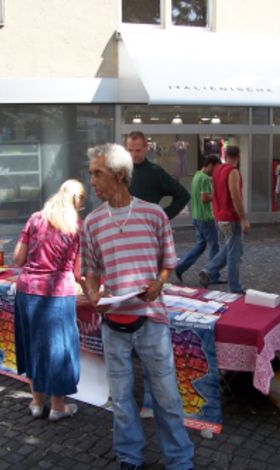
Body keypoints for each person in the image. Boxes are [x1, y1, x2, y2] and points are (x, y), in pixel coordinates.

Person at [81, 143, 194, 470]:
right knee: (121, 401)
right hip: (113, 325)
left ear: (119, 175)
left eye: (97, 173)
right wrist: (92, 295)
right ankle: (130, 457)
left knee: (167, 398)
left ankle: (179, 459)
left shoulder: (154, 214)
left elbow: (167, 262)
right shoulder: (92, 223)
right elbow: (90, 273)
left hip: (151, 321)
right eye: (91, 174)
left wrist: (159, 282)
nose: (92, 181)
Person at [13, 179, 86, 421]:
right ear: (78, 201)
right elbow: (78, 272)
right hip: (58, 294)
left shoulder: (35, 218)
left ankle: (36, 403)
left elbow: (18, 258)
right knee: (60, 348)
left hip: (28, 290)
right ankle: (58, 406)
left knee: (32, 344)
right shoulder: (76, 226)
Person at [198, 145, 250, 294]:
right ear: (238, 157)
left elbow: (215, 193)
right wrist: (244, 219)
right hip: (231, 217)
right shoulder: (233, 172)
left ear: (225, 155)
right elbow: (235, 196)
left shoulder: (217, 171)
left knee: (230, 247)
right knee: (234, 253)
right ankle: (234, 286)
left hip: (219, 216)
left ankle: (209, 270)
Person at [174, 153, 221, 282]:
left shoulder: (197, 175)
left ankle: (180, 267)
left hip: (196, 216)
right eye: (216, 168)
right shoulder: (205, 178)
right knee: (214, 246)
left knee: (200, 245)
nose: (215, 172)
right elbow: (204, 198)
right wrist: (217, 196)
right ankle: (212, 275)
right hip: (205, 217)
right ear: (210, 165)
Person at [126, 131, 190, 220]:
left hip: (147, 229)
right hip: (124, 228)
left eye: (138, 150)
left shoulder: (155, 172)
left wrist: (161, 218)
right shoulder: (122, 171)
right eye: (130, 150)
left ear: (146, 148)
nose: (133, 154)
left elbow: (184, 195)